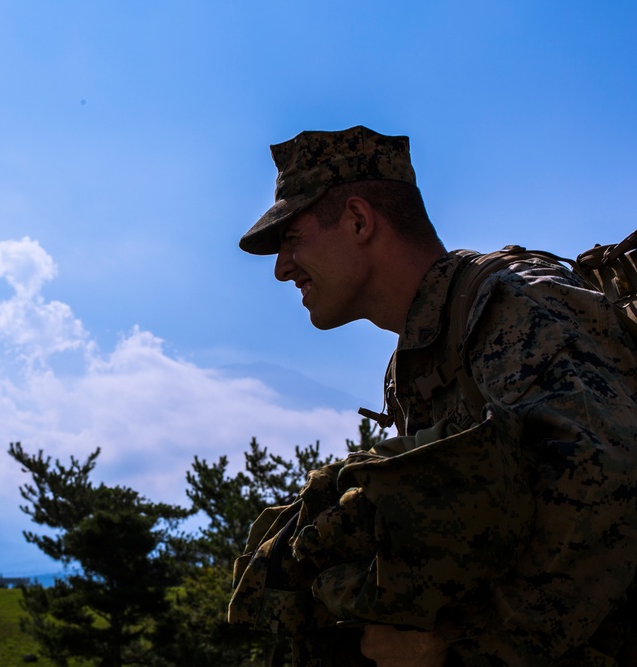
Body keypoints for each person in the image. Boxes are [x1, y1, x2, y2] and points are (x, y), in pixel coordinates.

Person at [237, 125, 637, 666]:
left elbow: (609, 496)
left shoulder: (507, 304)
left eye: (292, 239)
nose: (282, 269)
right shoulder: (413, 365)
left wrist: (454, 650)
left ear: (358, 220)